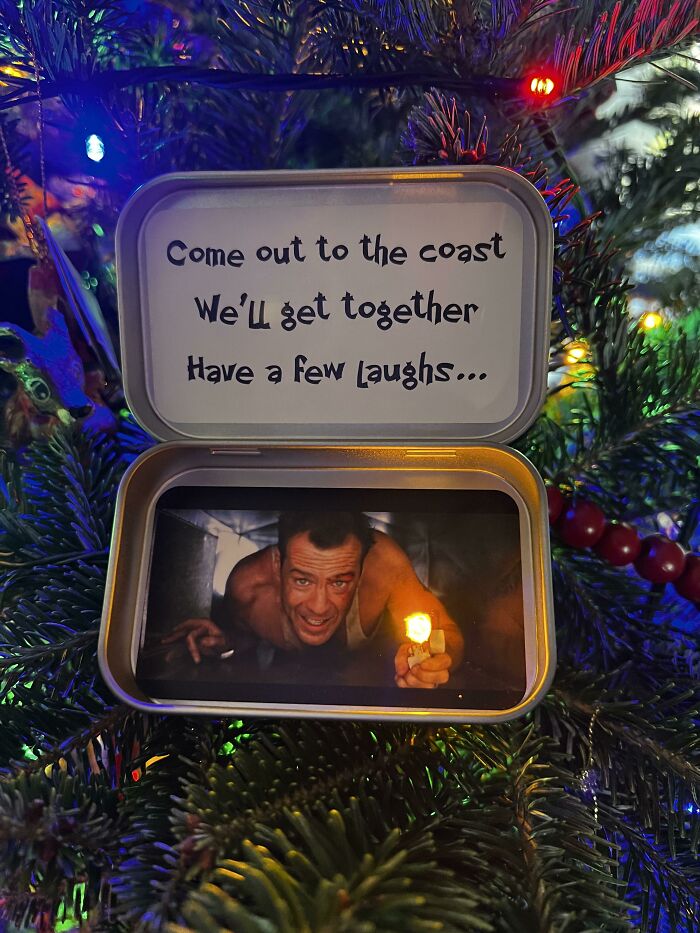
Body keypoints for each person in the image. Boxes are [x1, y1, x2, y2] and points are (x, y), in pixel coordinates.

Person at [162, 511, 464, 689]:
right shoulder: (248, 587)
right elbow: (245, 639)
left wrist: (434, 662)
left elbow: (447, 634)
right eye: (302, 580)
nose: (319, 607)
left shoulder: (384, 564)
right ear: (277, 564)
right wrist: (224, 642)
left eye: (339, 582)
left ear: (362, 569)